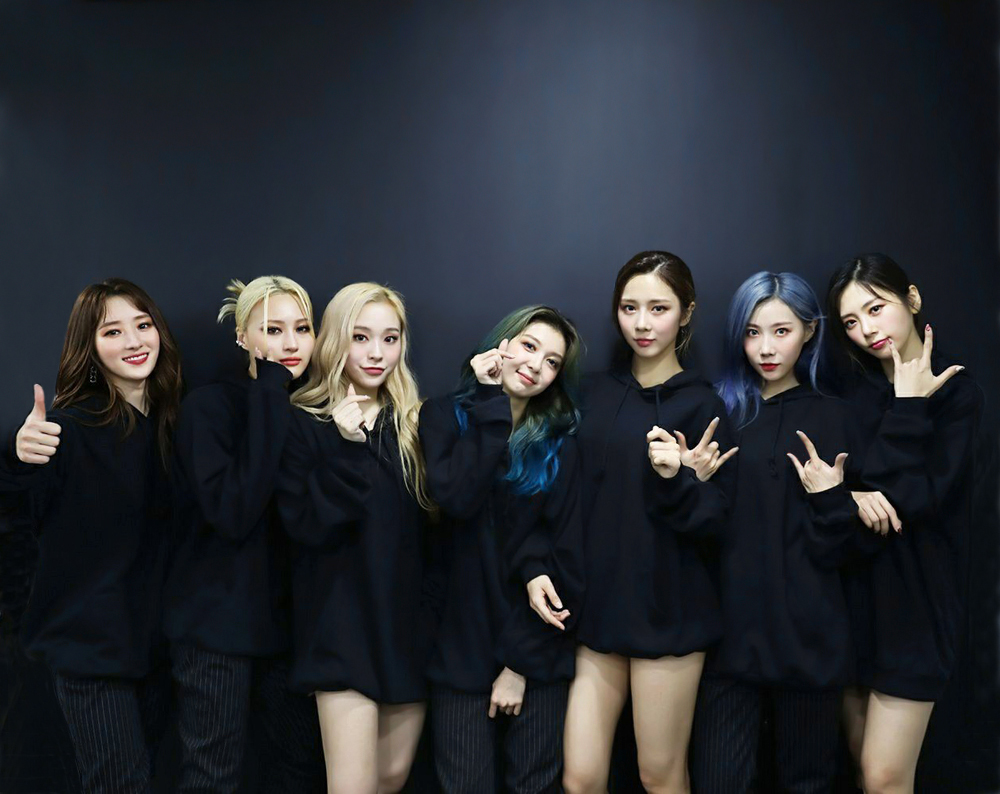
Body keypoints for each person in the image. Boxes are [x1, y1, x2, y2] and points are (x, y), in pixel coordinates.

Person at [689, 271, 882, 793]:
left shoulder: (839, 419)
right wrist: (689, 482)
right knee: (719, 781)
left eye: (781, 331)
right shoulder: (719, 413)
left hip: (811, 641)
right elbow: (699, 532)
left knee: (807, 783)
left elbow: (854, 549)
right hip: (728, 640)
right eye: (752, 333)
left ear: (810, 330)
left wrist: (832, 498)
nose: (766, 348)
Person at [563, 251, 735, 794]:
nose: (642, 323)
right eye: (629, 307)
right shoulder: (592, 394)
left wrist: (678, 479)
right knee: (580, 777)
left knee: (658, 774)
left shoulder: (703, 406)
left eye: (659, 308)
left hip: (671, 608)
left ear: (686, 313)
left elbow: (716, 522)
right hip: (599, 608)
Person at [2, 278, 182, 792]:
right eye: (112, 331)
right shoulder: (68, 427)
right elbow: (19, 510)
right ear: (91, 347)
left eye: (143, 325)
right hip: (89, 650)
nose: (134, 341)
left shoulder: (172, 424)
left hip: (156, 649)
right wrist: (18, 454)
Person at [826, 253, 982, 794]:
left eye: (876, 308)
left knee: (884, 775)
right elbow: (839, 502)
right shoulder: (852, 396)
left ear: (912, 299)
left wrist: (910, 405)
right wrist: (850, 496)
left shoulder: (956, 391)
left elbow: (910, 501)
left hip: (917, 605)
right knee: (859, 767)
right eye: (851, 321)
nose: (866, 330)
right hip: (852, 601)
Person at [164, 275, 324, 792]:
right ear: (242, 337)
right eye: (272, 329)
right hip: (216, 629)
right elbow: (234, 512)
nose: (290, 343)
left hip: (287, 630)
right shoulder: (209, 407)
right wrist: (270, 387)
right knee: (214, 776)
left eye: (302, 328)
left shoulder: (312, 410)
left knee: (298, 770)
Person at [419, 305, 585, 793]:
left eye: (552, 362)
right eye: (529, 346)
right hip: (460, 650)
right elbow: (459, 499)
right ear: (501, 343)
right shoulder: (442, 416)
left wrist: (519, 664)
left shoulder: (560, 442)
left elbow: (565, 555)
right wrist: (491, 401)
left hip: (535, 651)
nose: (536, 365)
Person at [277, 282, 432, 794]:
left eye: (390, 339)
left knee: (390, 779)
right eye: (360, 337)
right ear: (335, 340)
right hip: (339, 630)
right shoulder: (304, 421)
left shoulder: (414, 424)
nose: (376, 353)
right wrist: (347, 447)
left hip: (405, 630)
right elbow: (304, 526)